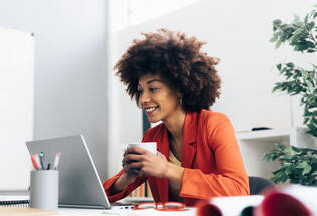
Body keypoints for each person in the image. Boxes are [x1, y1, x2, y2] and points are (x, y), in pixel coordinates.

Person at [103, 29, 249, 206]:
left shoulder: (214, 124)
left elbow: (239, 190)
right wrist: (127, 177)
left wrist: (167, 169)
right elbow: (103, 195)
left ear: (180, 89)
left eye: (153, 88)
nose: (143, 99)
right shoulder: (152, 137)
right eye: (141, 91)